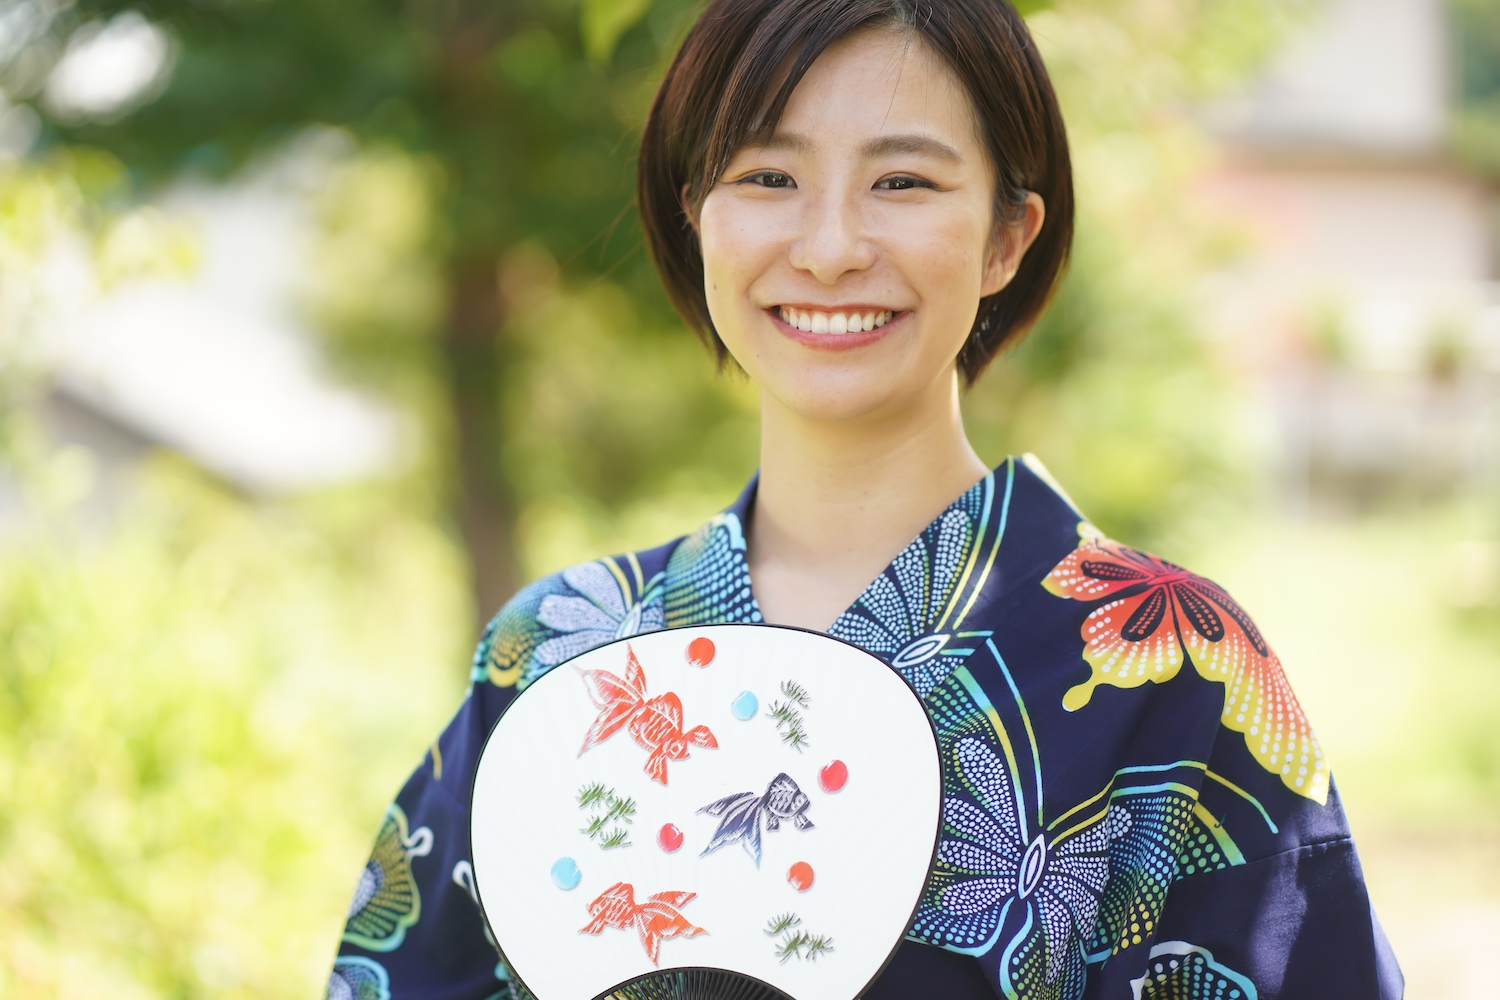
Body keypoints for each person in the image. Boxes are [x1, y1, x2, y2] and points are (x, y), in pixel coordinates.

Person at [328, 0, 1404, 997]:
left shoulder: (1169, 664)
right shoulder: (559, 652)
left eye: (903, 182)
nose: (833, 246)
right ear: (696, 211)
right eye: (767, 177)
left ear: (1006, 238)